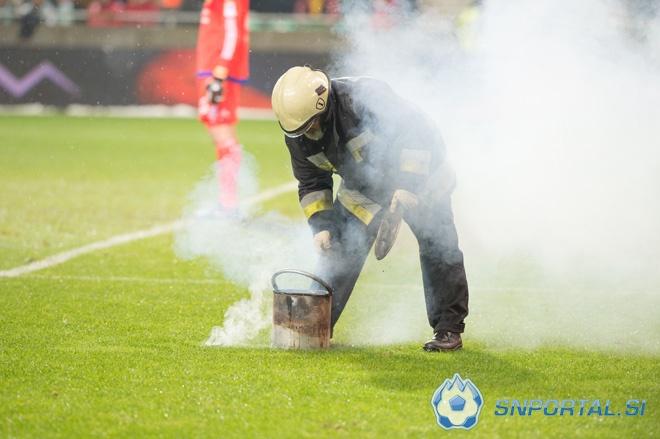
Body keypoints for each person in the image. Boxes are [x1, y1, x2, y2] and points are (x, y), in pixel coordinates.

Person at [271, 66, 469, 351]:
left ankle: (448, 329)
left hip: (423, 176)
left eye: (310, 125)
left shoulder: (365, 98)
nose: (307, 134)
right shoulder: (298, 135)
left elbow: (417, 134)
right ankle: (315, 327)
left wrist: (408, 185)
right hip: (365, 186)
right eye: (301, 130)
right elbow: (312, 182)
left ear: (322, 107)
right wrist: (322, 225)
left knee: (438, 245)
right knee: (338, 250)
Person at [196, 0, 249, 210]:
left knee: (223, 135)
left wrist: (220, 71)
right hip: (213, 70)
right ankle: (227, 202)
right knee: (220, 133)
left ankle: (229, 204)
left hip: (216, 73)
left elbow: (232, 32)